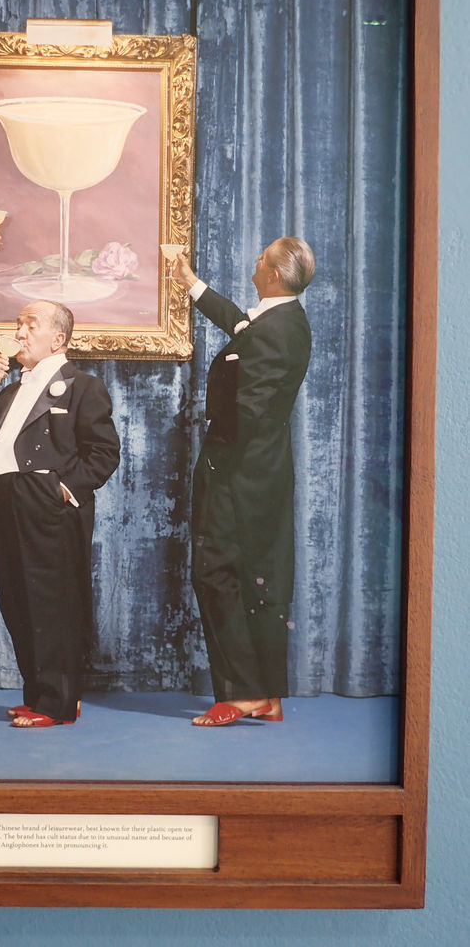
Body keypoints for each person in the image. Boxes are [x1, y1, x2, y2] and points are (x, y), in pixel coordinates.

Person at [171, 237, 315, 727]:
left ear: (272, 274)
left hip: (239, 473)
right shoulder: (280, 320)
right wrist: (191, 283)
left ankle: (244, 693)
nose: (255, 260)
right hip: (259, 471)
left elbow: (248, 412)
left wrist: (215, 462)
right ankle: (268, 695)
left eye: (262, 257)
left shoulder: (278, 329)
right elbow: (240, 326)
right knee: (260, 579)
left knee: (216, 572)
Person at [0, 300, 120, 728]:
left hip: (44, 502)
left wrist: (61, 490)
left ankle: (57, 703)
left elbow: (104, 453)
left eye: (30, 325)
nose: (19, 332)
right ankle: (39, 696)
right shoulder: (9, 389)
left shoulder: (83, 386)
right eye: (18, 324)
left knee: (50, 604)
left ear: (58, 338)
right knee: (17, 600)